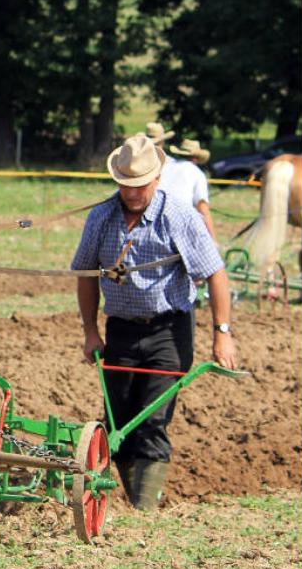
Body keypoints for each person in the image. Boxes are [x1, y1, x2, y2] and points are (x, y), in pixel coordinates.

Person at [71, 133, 238, 510]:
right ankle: (133, 501)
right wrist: (89, 331)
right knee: (120, 425)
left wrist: (222, 333)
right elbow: (84, 274)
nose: (131, 193)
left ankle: (144, 511)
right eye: (125, 185)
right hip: (121, 332)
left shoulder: (179, 216)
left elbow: (215, 272)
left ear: (157, 178)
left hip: (168, 332)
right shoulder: (100, 218)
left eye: (139, 186)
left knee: (152, 421)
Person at [161, 137, 216, 241]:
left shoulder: (165, 167)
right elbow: (203, 209)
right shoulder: (197, 173)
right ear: (196, 158)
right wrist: (213, 239)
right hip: (180, 224)